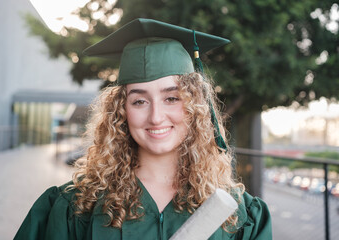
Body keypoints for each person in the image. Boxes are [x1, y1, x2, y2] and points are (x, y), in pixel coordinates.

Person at [15, 18, 272, 240]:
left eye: (172, 98)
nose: (156, 117)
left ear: (195, 107)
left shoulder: (239, 215)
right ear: (121, 112)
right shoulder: (75, 206)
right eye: (139, 101)